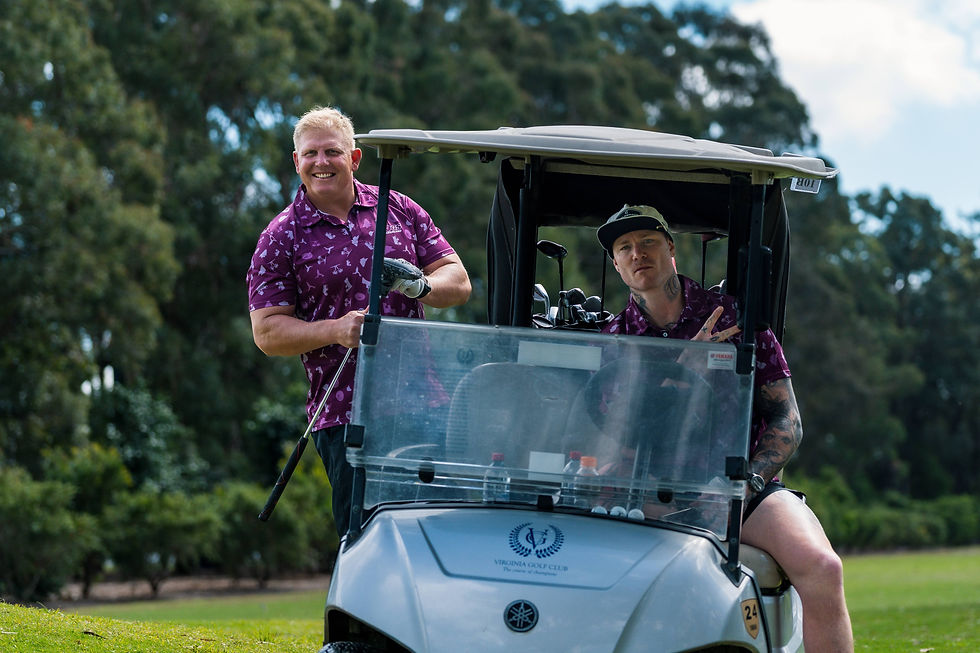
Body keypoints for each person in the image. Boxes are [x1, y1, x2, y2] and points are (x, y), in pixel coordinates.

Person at [597, 204, 854, 652]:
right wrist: (681, 368)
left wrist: (746, 484)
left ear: (671, 249)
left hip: (735, 487)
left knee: (822, 567)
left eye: (648, 242)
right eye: (625, 248)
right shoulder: (611, 340)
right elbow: (622, 431)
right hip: (649, 490)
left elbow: (786, 419)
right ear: (616, 264)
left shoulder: (737, 320)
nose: (638, 254)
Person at [247, 106, 471, 536]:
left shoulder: (399, 208)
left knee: (442, 533)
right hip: (345, 415)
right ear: (297, 162)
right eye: (310, 154)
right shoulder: (280, 235)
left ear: (354, 158)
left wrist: (418, 286)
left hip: (425, 404)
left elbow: (458, 281)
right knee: (367, 540)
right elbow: (268, 330)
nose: (321, 162)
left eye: (332, 151)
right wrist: (334, 329)